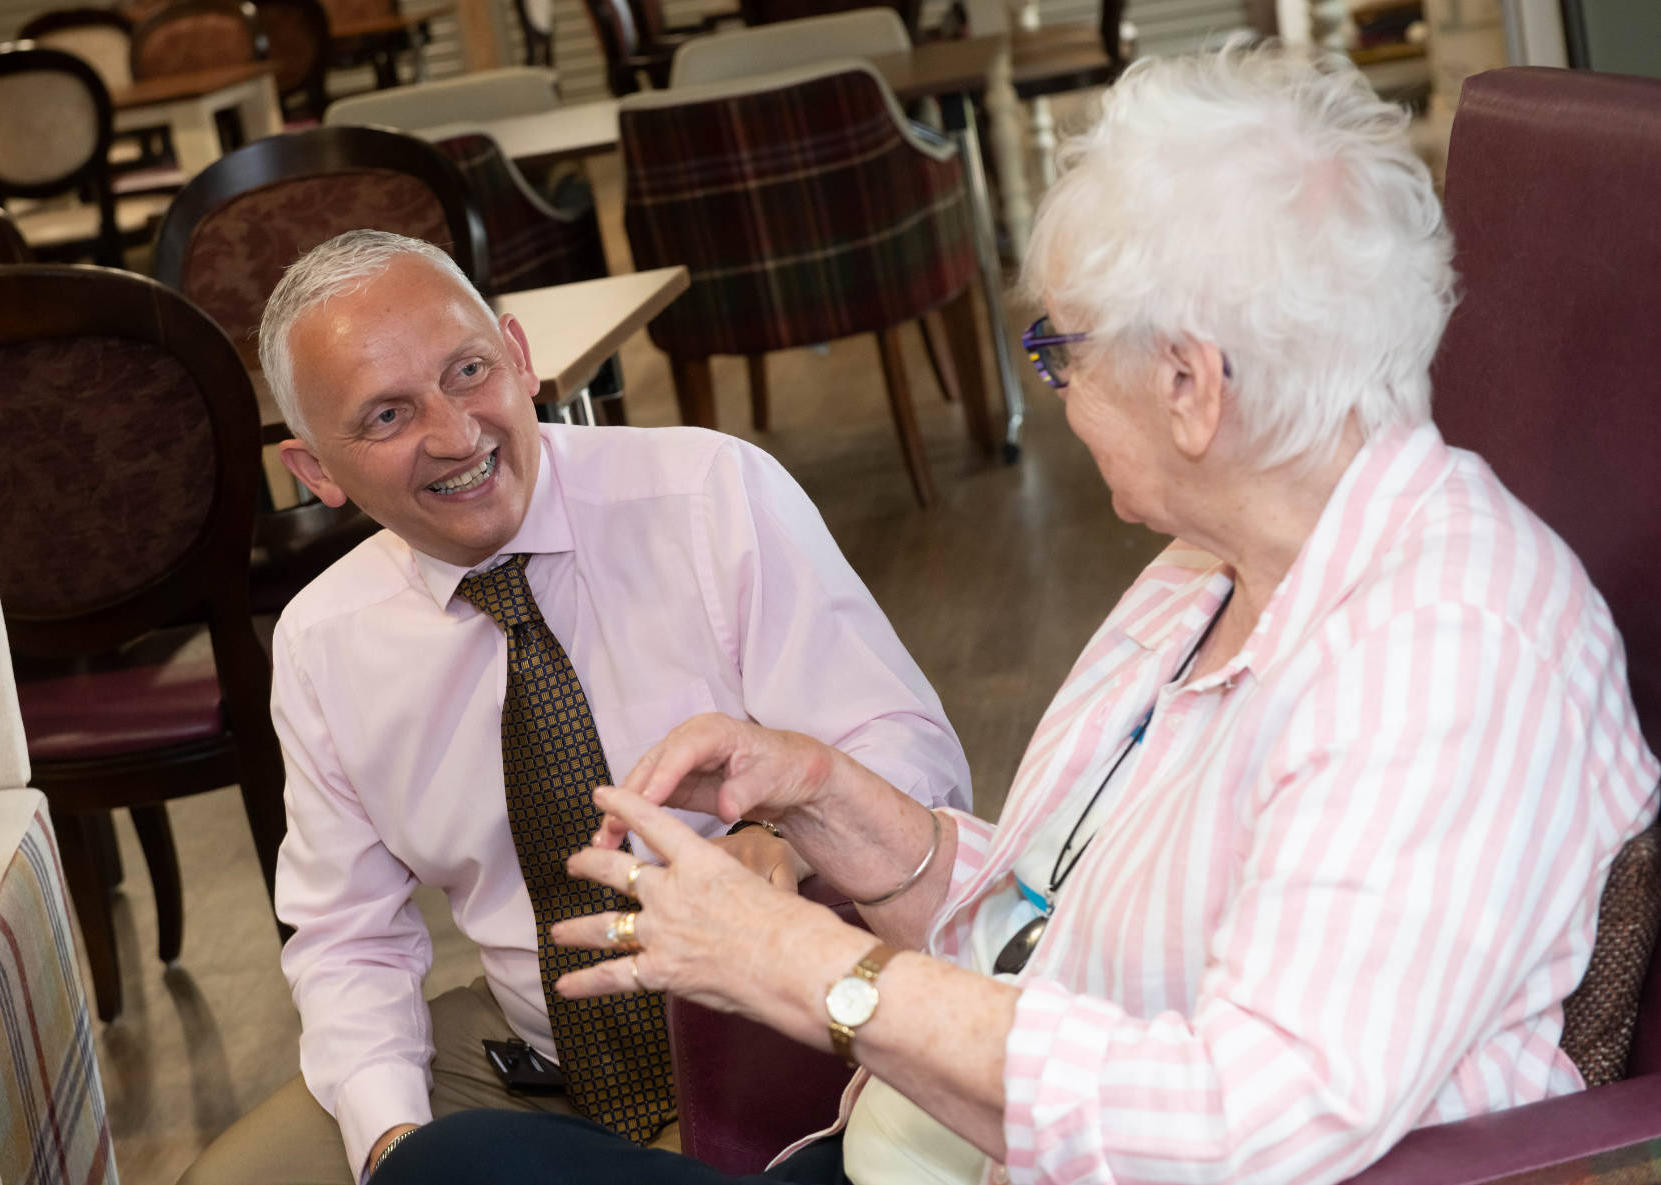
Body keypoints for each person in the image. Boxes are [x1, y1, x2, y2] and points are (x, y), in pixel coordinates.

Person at [368, 43, 1660, 1185]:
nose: (1051, 385)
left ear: (1191, 385)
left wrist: (813, 969)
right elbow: (1047, 924)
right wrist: (831, 799)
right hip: (934, 1150)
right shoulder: (1217, 566)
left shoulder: (1447, 656)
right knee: (460, 1158)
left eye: (1064, 349)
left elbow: (1248, 1123)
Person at [178, 230, 971, 1185]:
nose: (455, 432)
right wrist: (393, 1143)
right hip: (532, 1057)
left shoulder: (711, 494)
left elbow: (916, 757)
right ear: (318, 472)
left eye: (468, 371)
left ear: (520, 356)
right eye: (388, 415)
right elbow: (348, 934)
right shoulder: (322, 640)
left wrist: (794, 831)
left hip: (791, 1036)